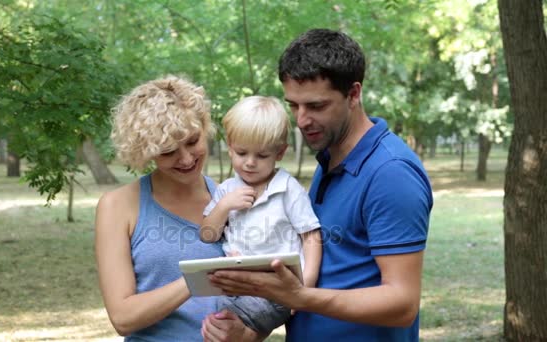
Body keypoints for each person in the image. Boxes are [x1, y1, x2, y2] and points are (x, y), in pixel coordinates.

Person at [205, 28, 433, 341]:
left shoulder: (391, 173)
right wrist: (247, 330)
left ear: (353, 94)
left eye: (316, 106)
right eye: (294, 105)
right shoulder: (328, 161)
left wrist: (298, 296)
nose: (301, 120)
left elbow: (402, 303)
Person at [94, 76, 260, 341]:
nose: (185, 158)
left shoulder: (233, 201)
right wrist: (198, 277)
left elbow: (258, 305)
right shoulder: (118, 206)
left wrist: (246, 334)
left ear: (205, 128)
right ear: (145, 150)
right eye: (168, 151)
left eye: (192, 141)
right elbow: (123, 318)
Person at [200, 96, 322, 335]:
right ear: (229, 145)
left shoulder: (287, 189)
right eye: (241, 152)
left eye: (262, 155)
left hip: (279, 286)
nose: (250, 163)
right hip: (236, 285)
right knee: (217, 323)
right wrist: (223, 206)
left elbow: (311, 237)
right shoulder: (226, 190)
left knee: (229, 323)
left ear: (280, 152)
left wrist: (306, 289)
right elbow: (207, 234)